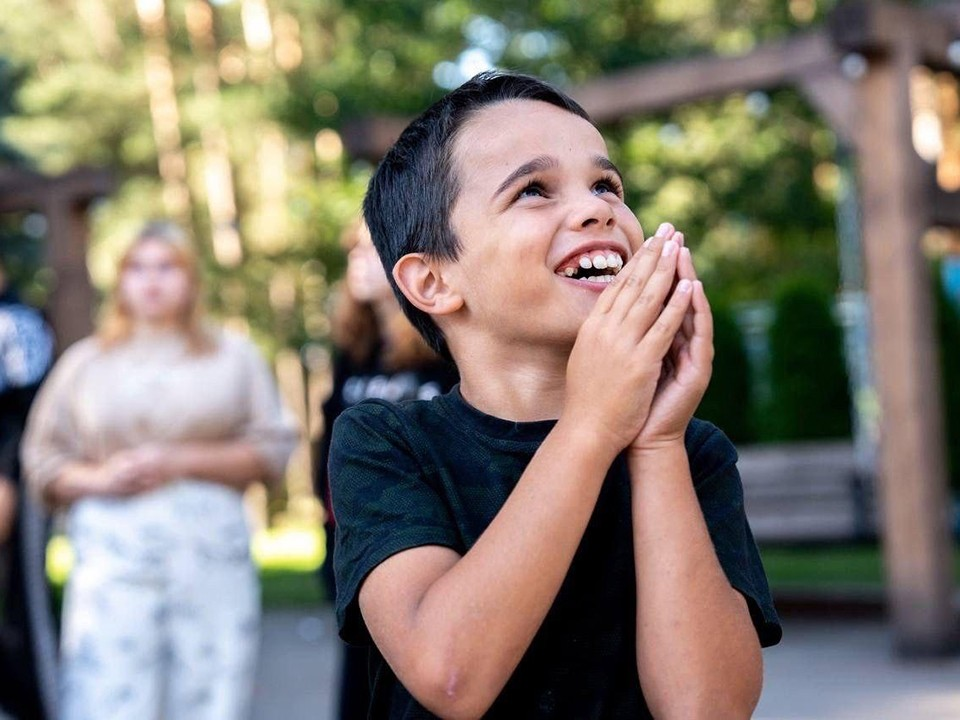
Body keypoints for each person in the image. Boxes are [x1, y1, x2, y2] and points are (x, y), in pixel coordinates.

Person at [329, 71, 782, 719]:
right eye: (534, 190)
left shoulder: (690, 450)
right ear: (432, 281)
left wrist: (654, 444)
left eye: (606, 185)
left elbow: (707, 708)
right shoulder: (387, 443)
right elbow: (451, 675)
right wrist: (592, 426)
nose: (598, 208)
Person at [21, 221, 298, 720]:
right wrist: (100, 480)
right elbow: (42, 461)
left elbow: (272, 449)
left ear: (191, 279)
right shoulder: (86, 363)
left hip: (210, 555)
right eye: (138, 268)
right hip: (113, 560)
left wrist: (180, 461)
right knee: (106, 696)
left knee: (210, 694)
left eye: (166, 267)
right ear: (120, 280)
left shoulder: (233, 356)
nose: (152, 280)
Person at [315, 219, 457, 719]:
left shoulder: (444, 348)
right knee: (361, 686)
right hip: (355, 540)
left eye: (371, 249)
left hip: (429, 542)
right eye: (353, 248)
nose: (357, 258)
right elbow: (325, 442)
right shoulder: (352, 350)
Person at [0, 256, 57, 720]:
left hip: (13, 477)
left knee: (23, 601)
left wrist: (6, 478)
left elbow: (28, 413)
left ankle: (39, 705)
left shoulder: (16, 323)